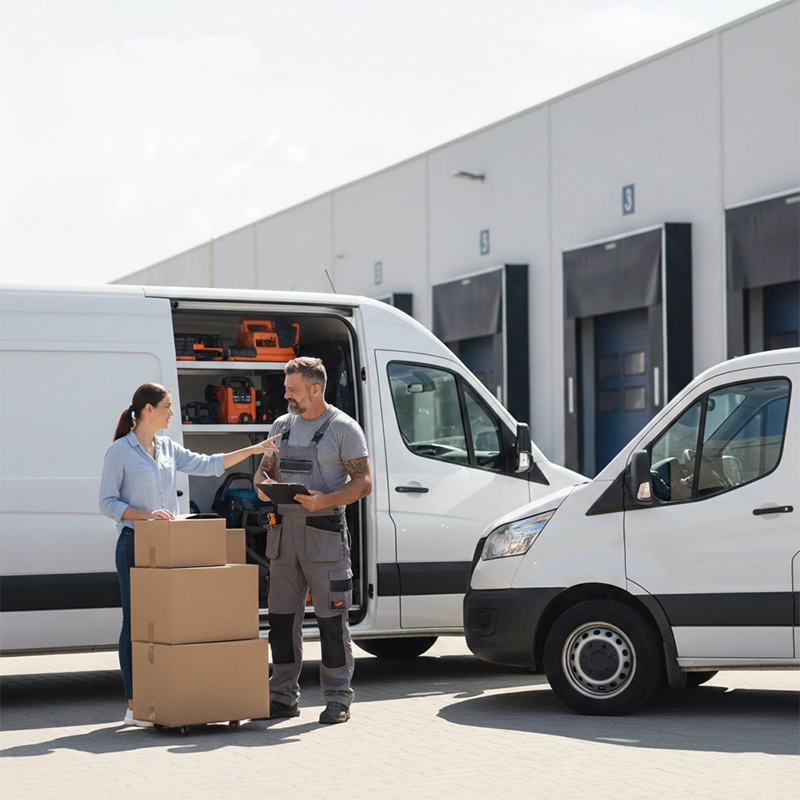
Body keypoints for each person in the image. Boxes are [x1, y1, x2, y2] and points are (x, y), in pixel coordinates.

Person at [99, 382, 280, 727]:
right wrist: (145, 514)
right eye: (167, 406)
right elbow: (107, 503)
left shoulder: (167, 447)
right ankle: (135, 704)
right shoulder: (120, 452)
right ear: (148, 410)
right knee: (135, 625)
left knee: (171, 625)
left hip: (170, 545)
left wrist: (255, 448)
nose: (172, 412)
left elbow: (209, 464)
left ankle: (163, 699)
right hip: (135, 545)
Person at [255, 356, 371, 724]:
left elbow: (363, 483)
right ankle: (281, 696)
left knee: (331, 621)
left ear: (315, 389)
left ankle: (338, 698)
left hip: (324, 535)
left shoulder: (343, 429)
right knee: (281, 620)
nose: (285, 394)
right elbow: (263, 472)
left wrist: (325, 500)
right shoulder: (281, 425)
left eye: (293, 389)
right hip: (283, 535)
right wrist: (263, 487)